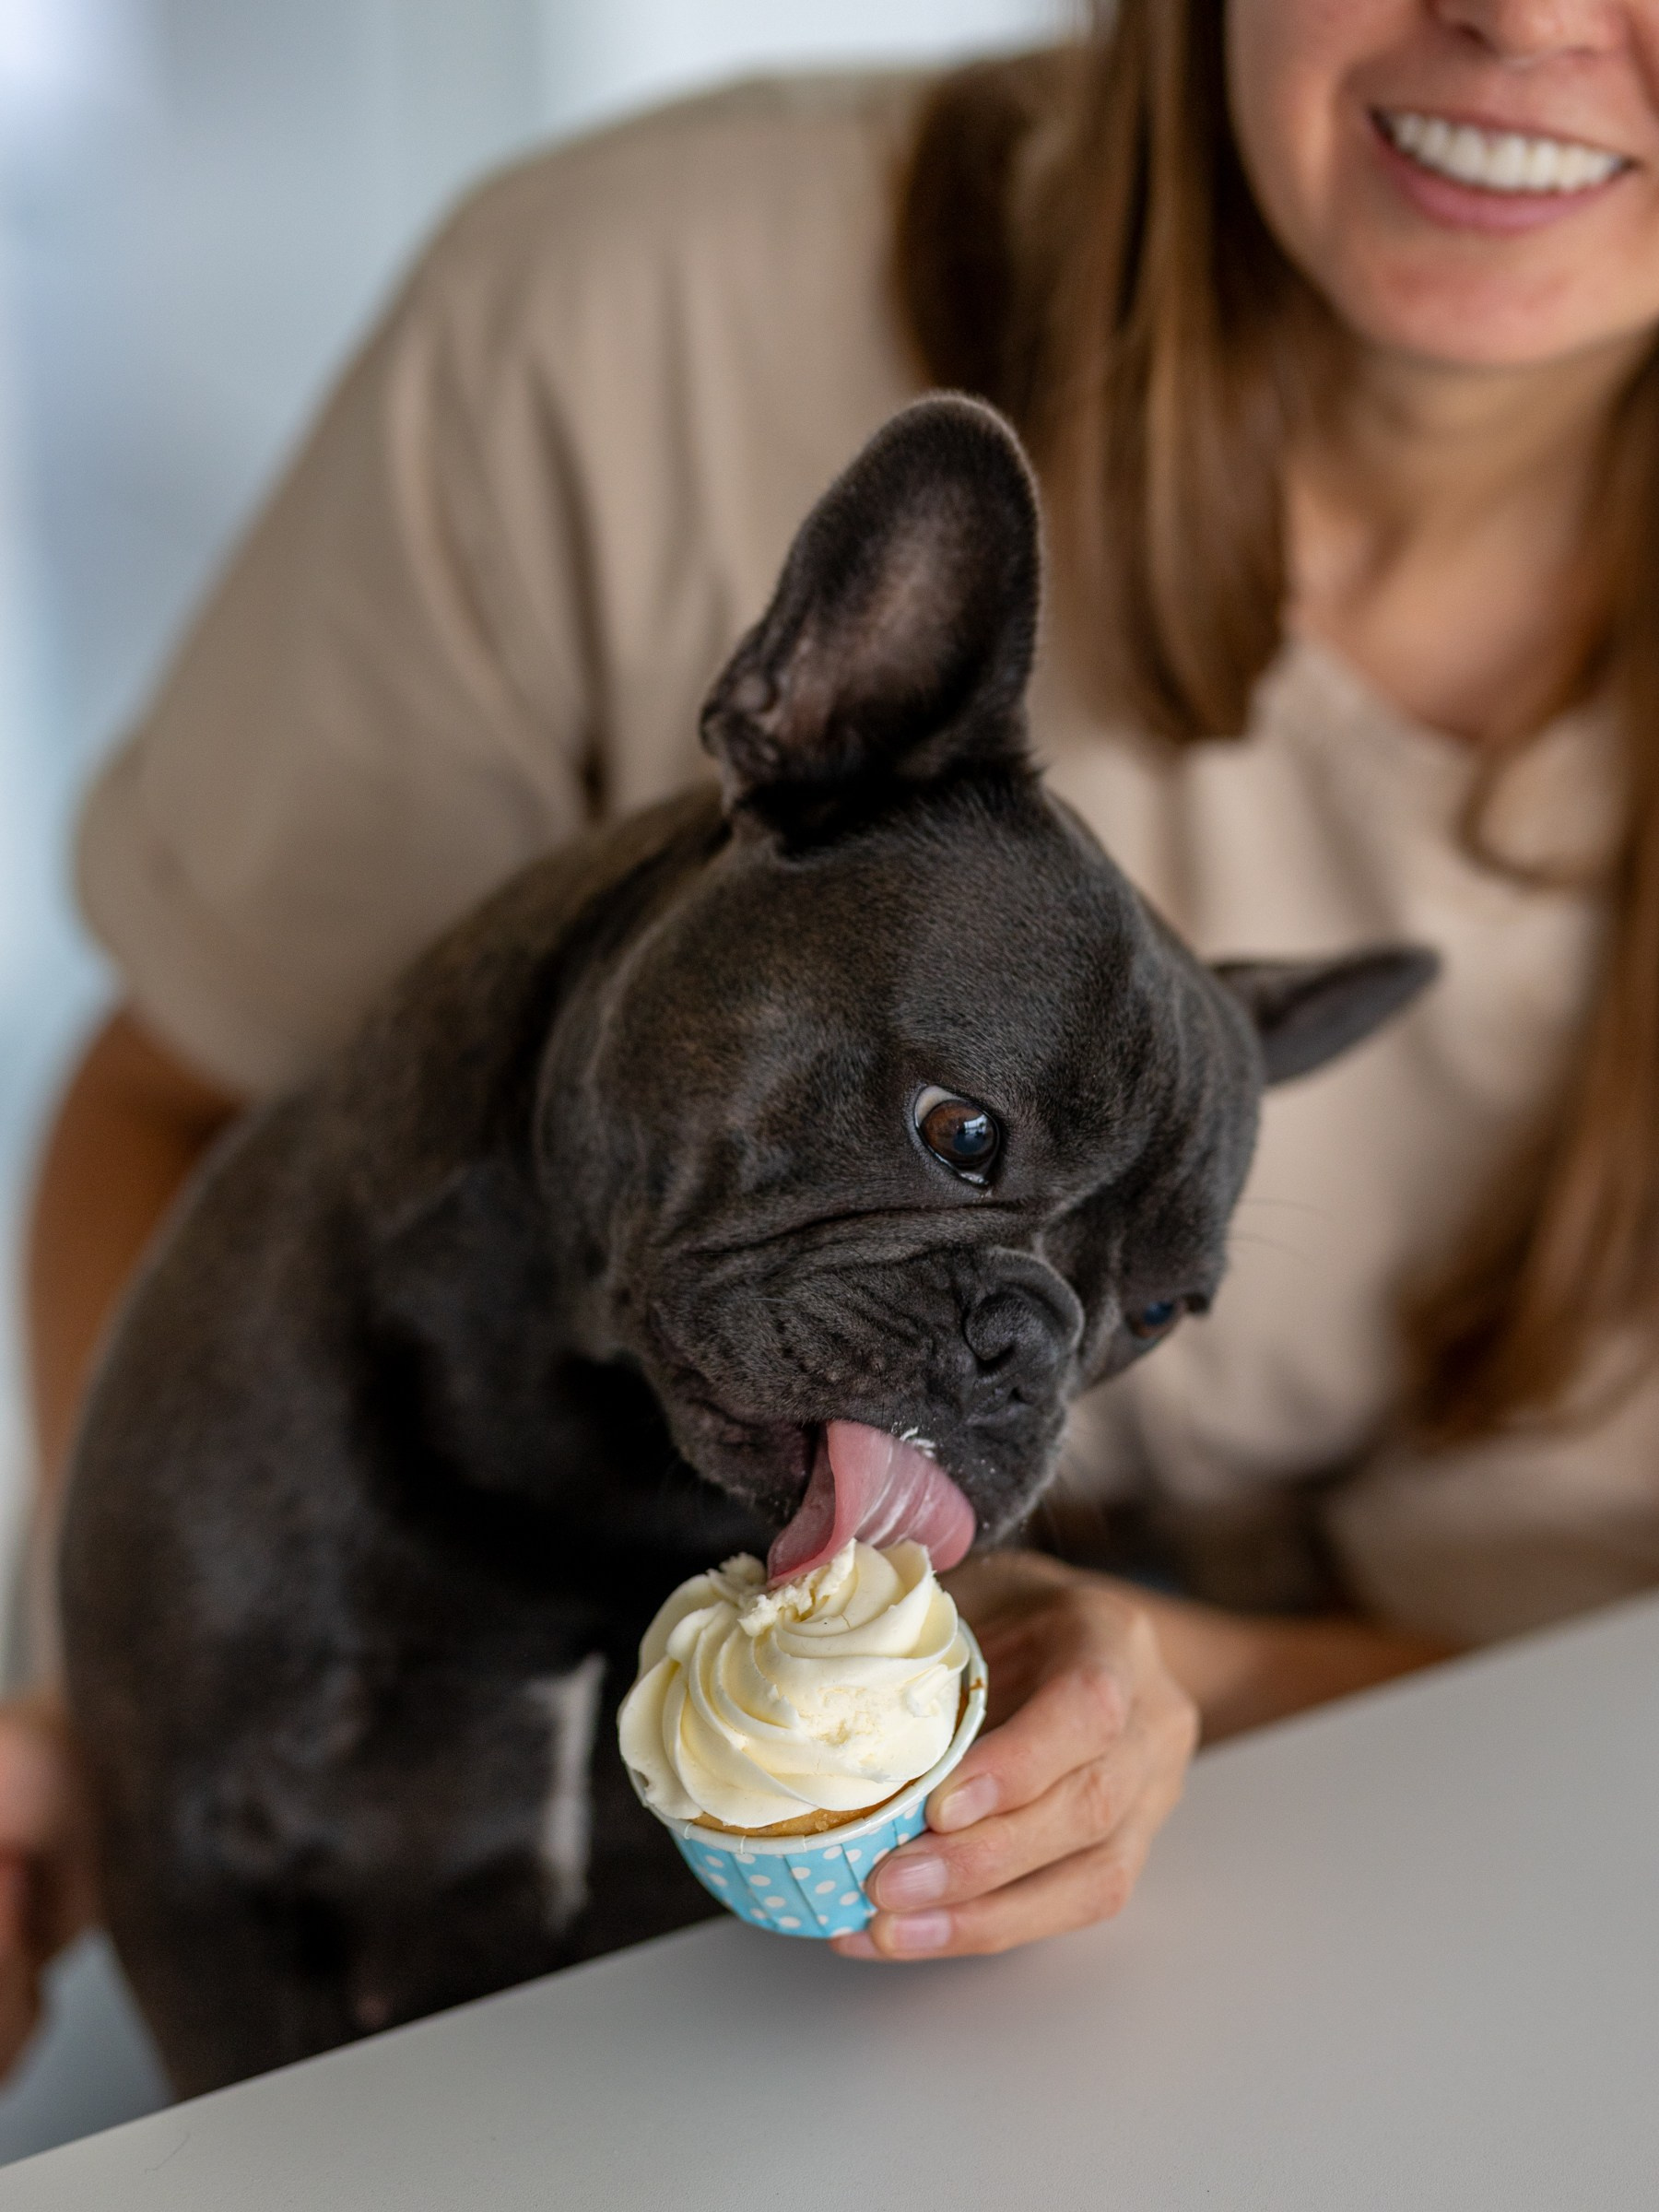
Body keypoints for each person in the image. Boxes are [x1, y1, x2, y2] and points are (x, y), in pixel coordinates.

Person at [6, 0, 1659, 2061]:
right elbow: (175, 1100)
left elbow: (1590, 1713)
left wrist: (1169, 1676)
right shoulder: (631, 317)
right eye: (963, 1145)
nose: (1534, 16)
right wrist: (141, 1681)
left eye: (1134, 1312)